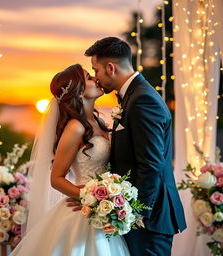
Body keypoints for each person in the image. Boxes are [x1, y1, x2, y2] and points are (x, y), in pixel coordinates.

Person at [10, 64, 130, 256]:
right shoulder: (75, 128)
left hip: (102, 207)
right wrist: (90, 200)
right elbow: (56, 178)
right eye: (89, 78)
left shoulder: (98, 122)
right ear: (79, 92)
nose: (96, 79)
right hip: (83, 211)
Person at [84, 37, 187, 256]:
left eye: (97, 70)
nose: (96, 77)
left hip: (148, 219)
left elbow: (151, 164)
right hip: (137, 215)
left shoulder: (142, 100)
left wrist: (134, 214)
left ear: (111, 68)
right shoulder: (133, 96)